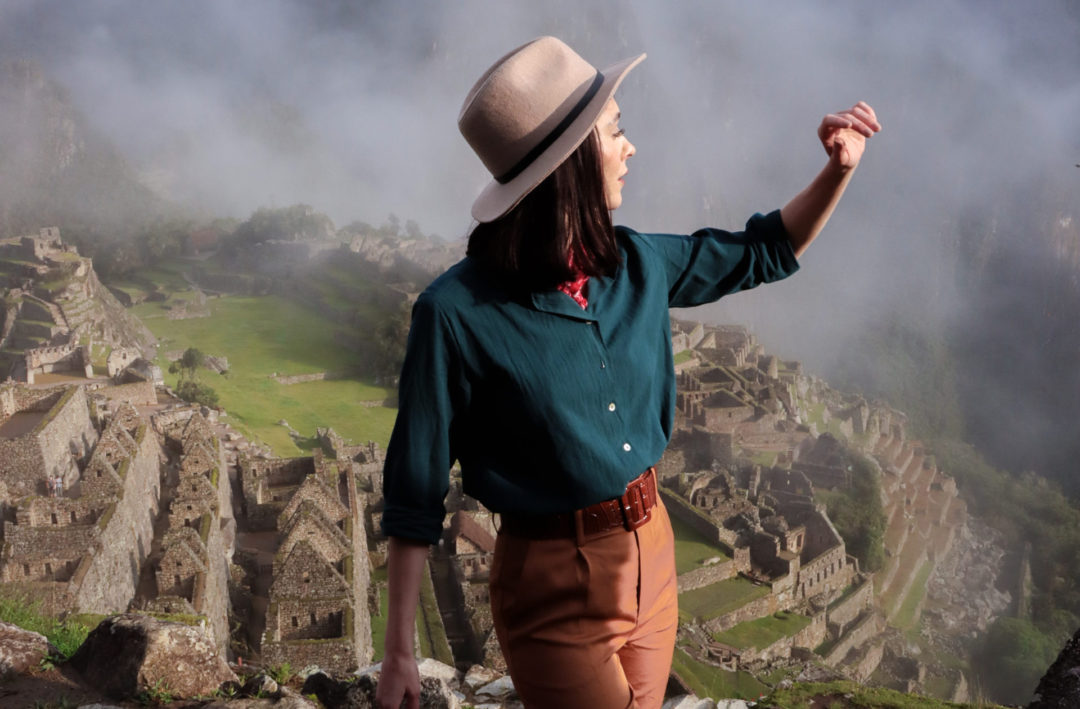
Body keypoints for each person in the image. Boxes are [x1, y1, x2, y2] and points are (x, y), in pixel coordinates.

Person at [376, 36, 879, 709]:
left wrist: (838, 169)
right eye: (616, 132)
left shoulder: (634, 264)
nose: (631, 147)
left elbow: (762, 250)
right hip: (550, 583)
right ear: (571, 164)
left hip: (652, 548)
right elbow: (414, 489)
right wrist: (400, 653)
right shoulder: (456, 314)